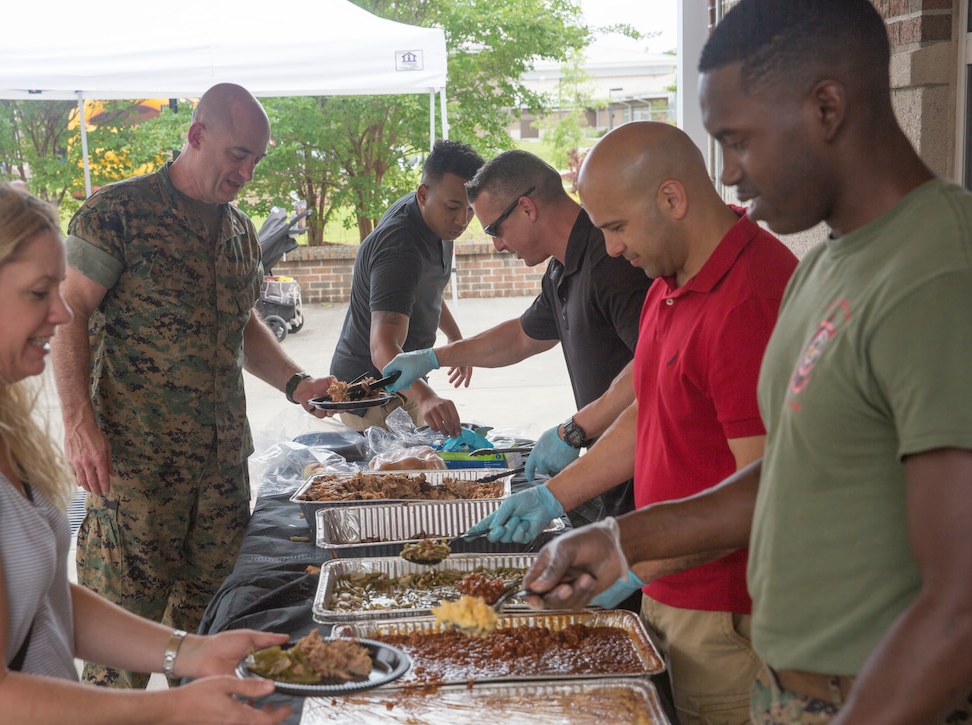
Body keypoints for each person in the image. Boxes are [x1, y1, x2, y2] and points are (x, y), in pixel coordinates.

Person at [523, 1, 972, 723]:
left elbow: (959, 598)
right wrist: (618, 538)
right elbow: (785, 473)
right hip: (788, 687)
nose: (727, 173)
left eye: (737, 141)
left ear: (826, 106)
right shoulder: (827, 265)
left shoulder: (935, 271)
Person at [0, 177, 292, 724]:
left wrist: (190, 651)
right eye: (37, 293)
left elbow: (45, 598)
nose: (63, 311)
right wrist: (173, 709)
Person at [483, 121, 795, 725]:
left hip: (724, 615)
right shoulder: (669, 278)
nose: (613, 251)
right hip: (668, 591)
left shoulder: (751, 297)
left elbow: (766, 497)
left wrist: (626, 554)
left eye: (616, 228)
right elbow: (648, 412)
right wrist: (553, 494)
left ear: (672, 199)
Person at [52, 83, 334, 689]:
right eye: (237, 154)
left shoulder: (239, 230)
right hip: (134, 476)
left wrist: (297, 383)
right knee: (120, 655)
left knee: (211, 647)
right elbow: (69, 311)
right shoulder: (116, 213)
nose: (246, 171)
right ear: (196, 135)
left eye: (256, 159)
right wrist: (79, 424)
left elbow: (243, 323)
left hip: (219, 478)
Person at [383, 149, 651, 529]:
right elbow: (522, 336)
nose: (498, 245)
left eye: (495, 229)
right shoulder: (561, 268)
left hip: (647, 464)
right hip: (611, 464)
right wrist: (434, 357)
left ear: (527, 208)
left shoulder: (612, 262)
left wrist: (575, 429)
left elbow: (654, 366)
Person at [329, 139, 484, 439]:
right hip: (373, 395)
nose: (462, 221)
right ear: (423, 194)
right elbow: (382, 349)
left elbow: (425, 291)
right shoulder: (399, 248)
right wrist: (425, 397)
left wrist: (455, 337)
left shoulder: (437, 220)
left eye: (470, 210)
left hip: (402, 384)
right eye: (453, 207)